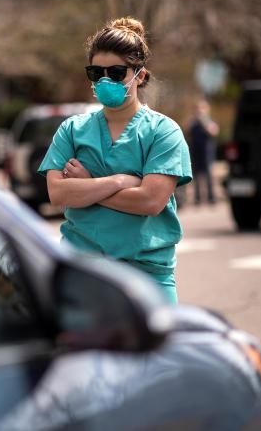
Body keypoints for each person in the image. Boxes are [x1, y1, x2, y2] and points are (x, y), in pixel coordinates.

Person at [37, 16, 192, 304]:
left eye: (117, 72)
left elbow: (150, 201)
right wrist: (118, 181)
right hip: (83, 273)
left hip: (147, 278)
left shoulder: (163, 132)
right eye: (97, 72)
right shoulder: (72, 130)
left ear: (140, 75)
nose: (105, 80)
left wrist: (87, 188)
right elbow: (57, 193)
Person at [188, 99, 219, 205]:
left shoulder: (209, 122)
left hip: (207, 154)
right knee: (196, 177)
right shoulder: (193, 123)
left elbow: (214, 131)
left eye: (202, 108)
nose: (199, 111)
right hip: (195, 154)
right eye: (198, 108)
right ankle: (197, 198)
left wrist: (204, 121)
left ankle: (211, 197)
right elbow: (187, 131)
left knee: (209, 176)